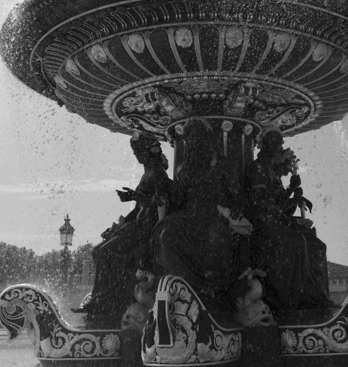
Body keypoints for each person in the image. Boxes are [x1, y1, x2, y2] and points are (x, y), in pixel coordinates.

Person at [150, 120, 251, 310]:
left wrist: (236, 206)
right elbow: (177, 202)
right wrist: (162, 196)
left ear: (207, 141)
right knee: (166, 235)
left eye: (198, 138)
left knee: (217, 237)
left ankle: (212, 290)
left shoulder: (222, 164)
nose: (193, 143)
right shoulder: (183, 171)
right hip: (187, 216)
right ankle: (183, 287)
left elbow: (238, 195)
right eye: (190, 140)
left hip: (215, 215)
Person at [76, 133, 171, 323]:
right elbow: (138, 210)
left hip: (146, 229)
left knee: (105, 253)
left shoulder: (158, 173)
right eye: (134, 151)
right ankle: (104, 298)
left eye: (137, 151)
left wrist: (135, 198)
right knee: (97, 252)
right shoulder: (148, 173)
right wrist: (118, 226)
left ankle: (102, 303)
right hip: (136, 225)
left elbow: (162, 203)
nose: (135, 155)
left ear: (147, 151)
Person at [245, 128, 331, 311]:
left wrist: (293, 192)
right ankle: (295, 299)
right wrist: (290, 218)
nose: (281, 148)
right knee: (297, 242)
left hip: (277, 221)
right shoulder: (258, 168)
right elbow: (260, 205)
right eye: (279, 145)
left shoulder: (271, 171)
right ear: (269, 147)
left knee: (317, 246)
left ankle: (317, 295)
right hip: (264, 225)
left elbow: (278, 203)